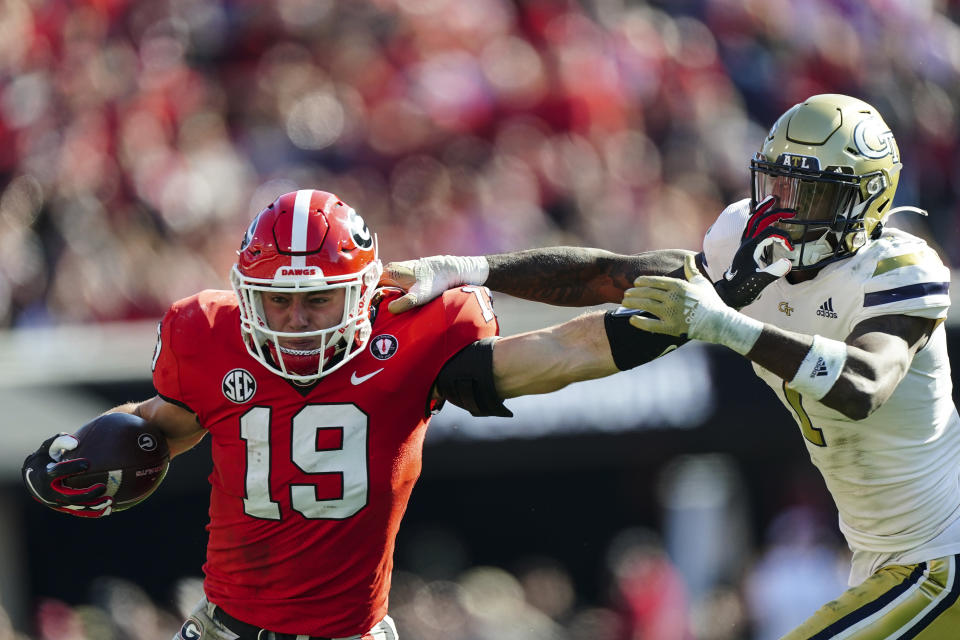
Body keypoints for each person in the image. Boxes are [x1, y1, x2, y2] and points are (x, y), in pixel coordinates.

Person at [383, 95, 960, 637]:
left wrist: (728, 325)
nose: (785, 209)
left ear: (866, 202)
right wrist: (472, 268)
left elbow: (864, 384)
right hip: (883, 555)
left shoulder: (899, 268)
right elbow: (609, 276)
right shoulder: (745, 240)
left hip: (941, 553)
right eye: (780, 184)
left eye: (811, 194)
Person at [21, 188, 691, 640]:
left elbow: (560, 352)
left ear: (364, 290)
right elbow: (161, 424)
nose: (294, 320)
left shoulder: (416, 336)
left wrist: (670, 322)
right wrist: (73, 455)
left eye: (316, 300)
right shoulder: (206, 336)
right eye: (276, 302)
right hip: (227, 627)